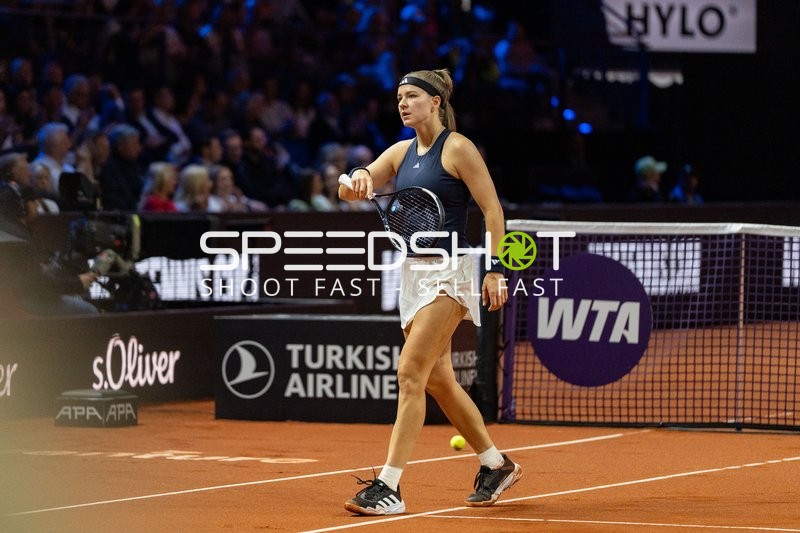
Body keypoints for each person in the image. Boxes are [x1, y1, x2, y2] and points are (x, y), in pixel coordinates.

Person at [338, 68, 521, 515]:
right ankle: (495, 464)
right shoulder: (401, 152)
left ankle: (390, 486)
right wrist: (357, 177)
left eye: (413, 96)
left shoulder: (458, 148)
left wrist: (496, 269)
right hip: (413, 275)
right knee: (438, 380)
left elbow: (493, 210)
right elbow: (349, 187)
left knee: (410, 373)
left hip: (450, 274)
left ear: (435, 102)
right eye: (399, 97)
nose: (403, 103)